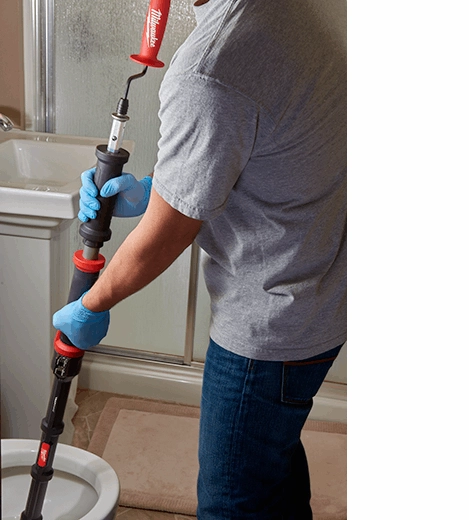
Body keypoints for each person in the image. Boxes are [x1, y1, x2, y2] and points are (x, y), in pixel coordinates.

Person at [53, 0, 346, 518]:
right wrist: (158, 190)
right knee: (271, 459)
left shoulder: (211, 67)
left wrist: (92, 304)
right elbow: (275, 141)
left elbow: (167, 236)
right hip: (324, 290)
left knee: (231, 500)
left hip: (269, 322)